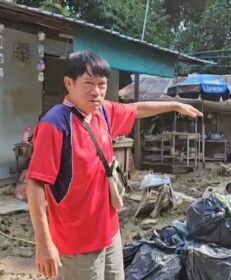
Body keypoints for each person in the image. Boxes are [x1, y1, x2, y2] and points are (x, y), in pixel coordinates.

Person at [26, 51, 202, 280]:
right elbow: (35, 184)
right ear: (69, 83)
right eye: (88, 83)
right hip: (77, 242)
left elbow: (137, 109)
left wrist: (175, 105)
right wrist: (44, 243)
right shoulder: (55, 125)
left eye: (102, 84)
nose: (96, 91)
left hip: (110, 233)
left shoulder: (103, 112)